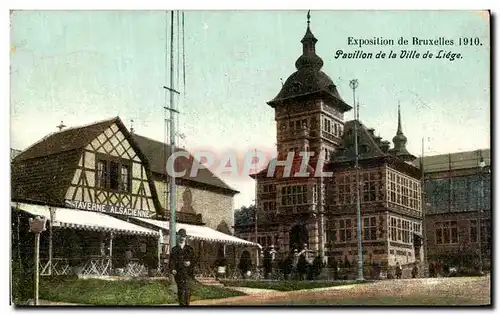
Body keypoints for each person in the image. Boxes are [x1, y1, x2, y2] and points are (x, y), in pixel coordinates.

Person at [169, 229, 196, 306]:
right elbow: (171, 261)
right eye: (181, 236)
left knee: (187, 290)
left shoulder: (189, 249)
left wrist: (190, 263)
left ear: (185, 237)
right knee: (181, 290)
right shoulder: (174, 249)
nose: (182, 238)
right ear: (178, 236)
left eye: (184, 236)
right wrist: (172, 269)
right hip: (179, 273)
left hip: (188, 273)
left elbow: (194, 260)